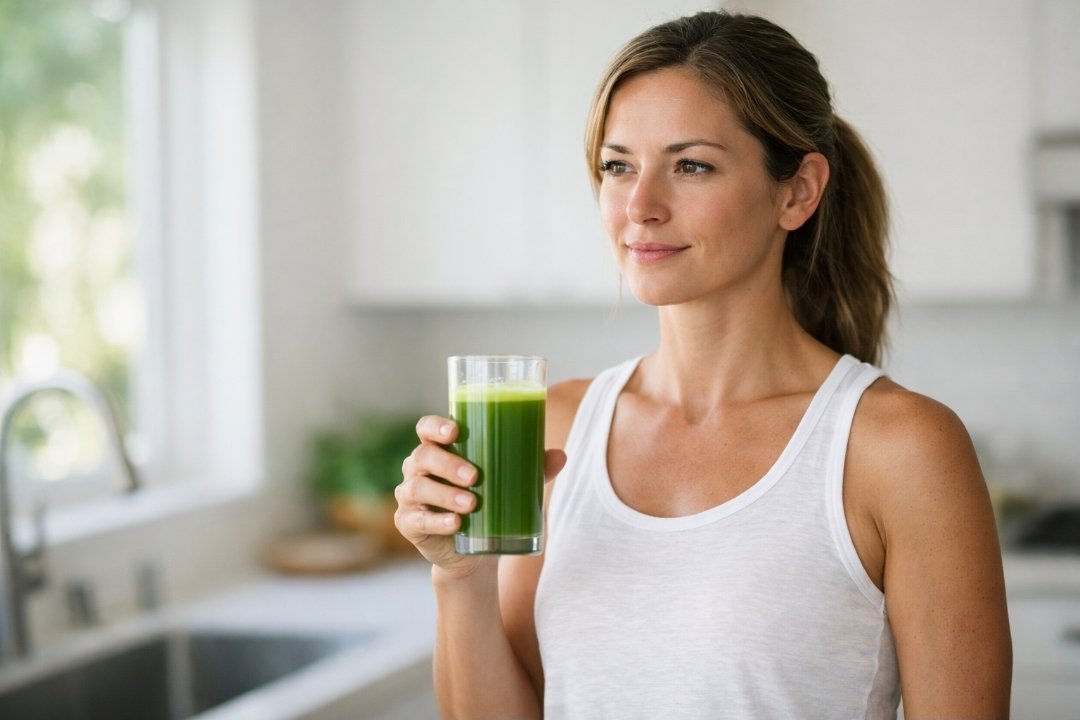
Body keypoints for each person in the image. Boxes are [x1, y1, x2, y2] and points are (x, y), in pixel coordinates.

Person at [396, 10, 1012, 719]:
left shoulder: (900, 450)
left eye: (691, 165)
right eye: (618, 166)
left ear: (797, 192)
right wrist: (461, 578)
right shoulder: (560, 429)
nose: (640, 206)